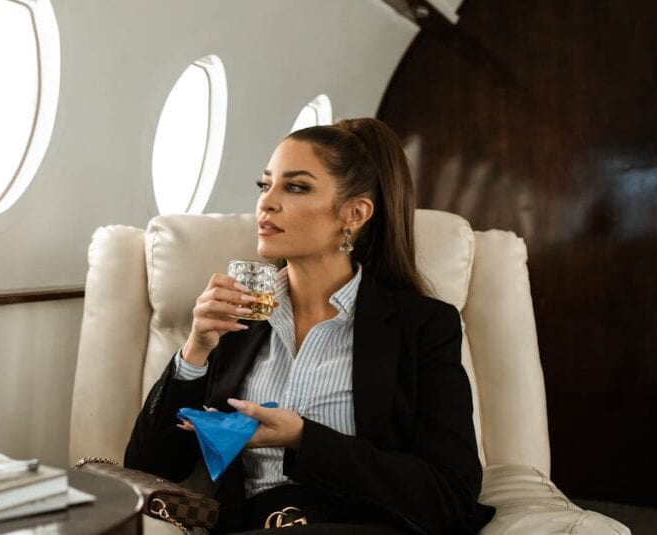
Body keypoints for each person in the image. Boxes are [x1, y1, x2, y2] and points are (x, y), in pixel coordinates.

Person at [124, 118, 495, 534]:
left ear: (354, 213)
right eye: (265, 186)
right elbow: (149, 467)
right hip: (259, 520)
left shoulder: (422, 326)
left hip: (368, 524)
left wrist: (305, 438)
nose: (267, 203)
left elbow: (450, 492)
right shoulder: (238, 318)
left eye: (296, 187)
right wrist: (196, 350)